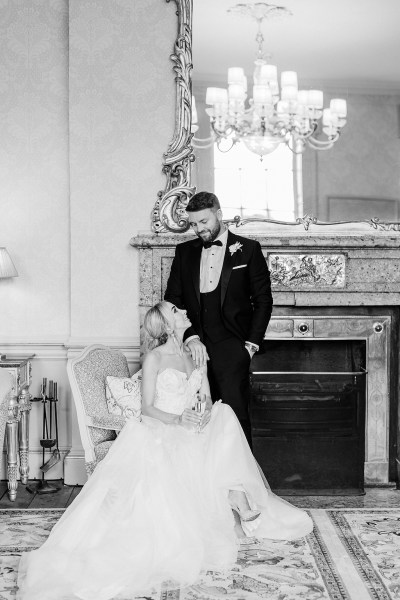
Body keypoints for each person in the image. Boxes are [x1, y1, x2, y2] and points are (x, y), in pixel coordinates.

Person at [17, 302, 312, 600]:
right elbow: (146, 409)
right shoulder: (154, 358)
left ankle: (235, 495)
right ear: (167, 325)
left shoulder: (195, 354)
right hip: (163, 428)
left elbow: (207, 399)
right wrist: (179, 420)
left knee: (224, 416)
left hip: (192, 426)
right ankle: (234, 495)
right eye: (175, 310)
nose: (183, 310)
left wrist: (203, 413)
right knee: (195, 447)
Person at [165, 191, 273, 446]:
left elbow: (263, 301)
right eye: (193, 224)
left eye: (204, 222)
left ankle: (239, 481)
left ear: (219, 215)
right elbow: (173, 298)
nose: (199, 229)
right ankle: (205, 481)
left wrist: (249, 347)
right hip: (193, 348)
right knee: (196, 414)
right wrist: (190, 338)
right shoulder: (184, 252)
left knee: (234, 417)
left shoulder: (248, 250)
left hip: (232, 346)